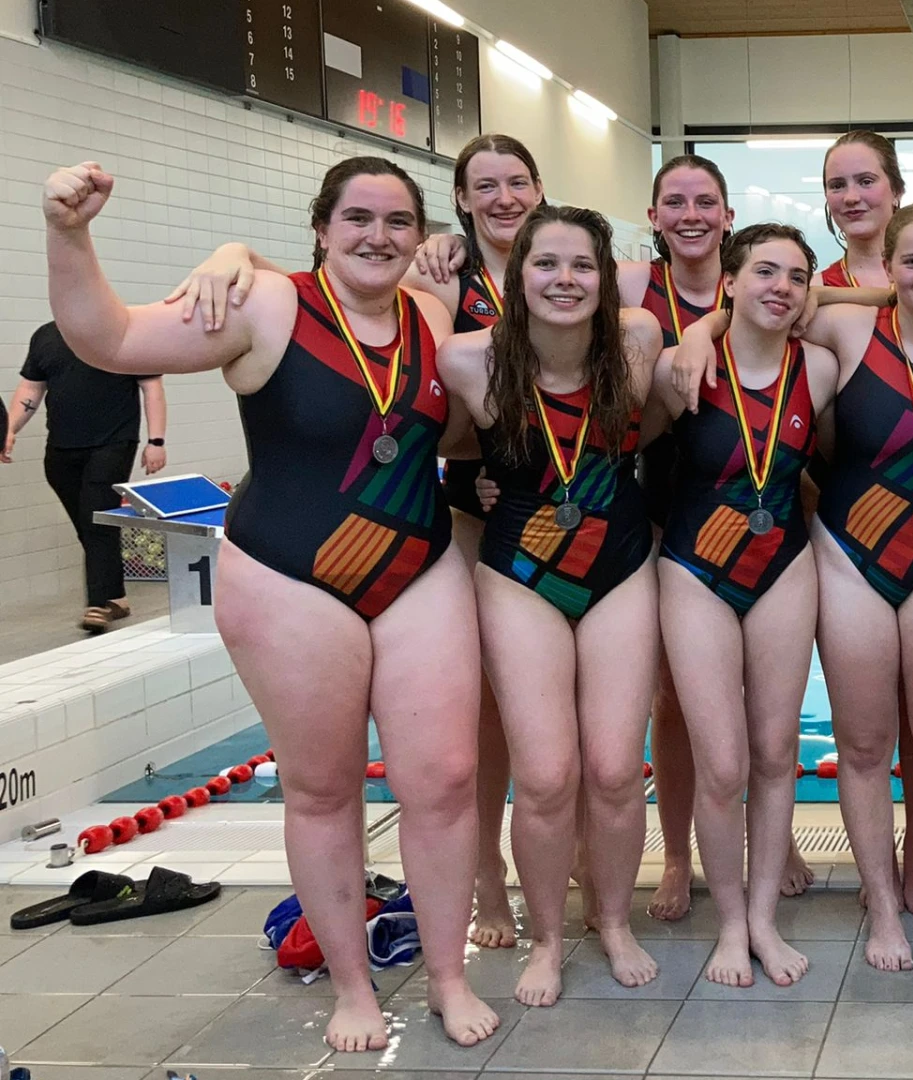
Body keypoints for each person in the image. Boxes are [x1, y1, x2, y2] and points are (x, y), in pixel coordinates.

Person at [42, 157, 498, 1048]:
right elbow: (113, 341)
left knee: (443, 782)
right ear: (322, 227)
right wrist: (71, 234)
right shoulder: (265, 305)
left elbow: (452, 421)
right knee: (323, 790)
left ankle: (447, 975)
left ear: (418, 235)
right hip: (291, 575)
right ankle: (355, 990)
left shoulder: (431, 313)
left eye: (398, 221)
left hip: (420, 567)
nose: (379, 236)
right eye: (358, 218)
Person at [167, 133, 550, 948]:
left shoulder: (570, 265)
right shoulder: (435, 276)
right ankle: (485, 893)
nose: (504, 197)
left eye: (518, 182)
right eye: (485, 185)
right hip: (454, 513)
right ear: (459, 202)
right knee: (469, 732)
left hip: (535, 504)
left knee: (534, 730)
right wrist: (236, 251)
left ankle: (559, 867)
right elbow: (329, 281)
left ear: (541, 189)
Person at [672, 203, 913, 973]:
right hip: (849, 554)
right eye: (910, 261)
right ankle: (881, 906)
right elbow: (760, 321)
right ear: (887, 268)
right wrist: (698, 329)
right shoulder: (845, 334)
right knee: (859, 743)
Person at [435, 204, 664, 1005]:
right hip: (518, 571)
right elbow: (447, 446)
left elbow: (657, 424)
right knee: (542, 776)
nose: (565, 280)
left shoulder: (636, 343)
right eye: (546, 264)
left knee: (611, 769)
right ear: (515, 273)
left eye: (582, 266)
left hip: (621, 566)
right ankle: (543, 938)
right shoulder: (467, 359)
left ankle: (613, 919)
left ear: (605, 278)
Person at [650, 222, 838, 988]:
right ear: (729, 281)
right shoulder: (677, 367)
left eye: (796, 276)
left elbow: (837, 461)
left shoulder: (819, 369)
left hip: (785, 566)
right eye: (765, 271)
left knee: (773, 753)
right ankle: (729, 921)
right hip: (694, 569)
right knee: (721, 764)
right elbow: (615, 449)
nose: (781, 287)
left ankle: (761, 915)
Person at [816, 131, 913, 915]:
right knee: (865, 717)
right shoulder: (814, 288)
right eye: (837, 184)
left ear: (895, 188)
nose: (852, 196)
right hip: (842, 517)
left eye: (865, 180)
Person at [5, 321, 167, 631]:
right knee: (88, 523)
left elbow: (152, 388)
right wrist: (9, 429)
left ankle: (97, 605)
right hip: (62, 447)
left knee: (95, 519)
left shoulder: (128, 330)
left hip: (113, 443)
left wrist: (156, 441)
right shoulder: (46, 336)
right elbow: (31, 388)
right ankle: (116, 597)